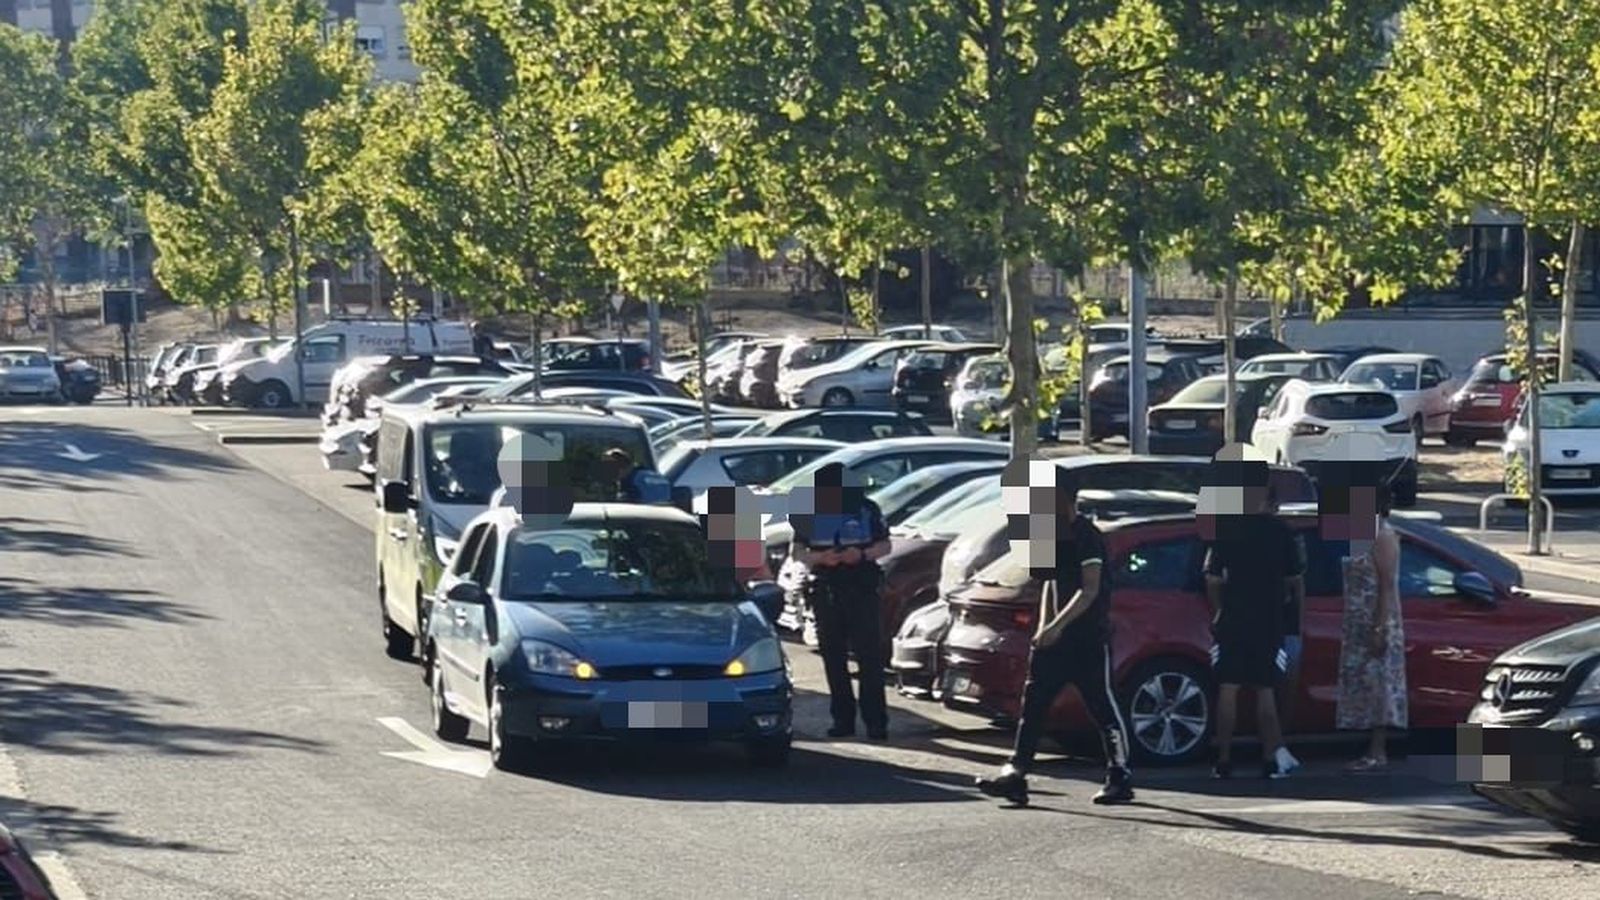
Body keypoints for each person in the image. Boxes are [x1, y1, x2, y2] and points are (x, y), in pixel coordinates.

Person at [976, 470, 1134, 806]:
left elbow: (1088, 590)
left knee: (1101, 705)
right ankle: (1016, 774)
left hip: (1087, 638)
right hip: (1053, 640)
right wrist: (1043, 627)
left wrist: (1058, 626)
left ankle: (1120, 774)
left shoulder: (1087, 537)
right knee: (1033, 705)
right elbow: (1050, 582)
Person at [1205, 476, 1304, 779]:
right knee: (1265, 690)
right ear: (1270, 502)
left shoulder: (1226, 530)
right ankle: (1270, 758)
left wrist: (1219, 609)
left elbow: (1211, 577)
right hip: (1268, 621)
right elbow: (1295, 578)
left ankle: (1222, 760)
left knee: (1228, 689)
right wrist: (1294, 616)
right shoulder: (1281, 532)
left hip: (1232, 620)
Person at [789, 463, 892, 740]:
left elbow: (886, 545)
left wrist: (861, 555)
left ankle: (876, 722)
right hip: (826, 588)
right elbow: (798, 551)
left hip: (862, 588)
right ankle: (842, 720)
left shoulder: (867, 509)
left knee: (869, 659)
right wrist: (821, 558)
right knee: (833, 659)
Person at [1336, 481, 1407, 772]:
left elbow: (1387, 585)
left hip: (1378, 619)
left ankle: (1378, 751)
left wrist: (1379, 628)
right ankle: (1368, 746)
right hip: (1357, 620)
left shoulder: (1382, 535)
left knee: (1380, 684)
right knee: (1365, 683)